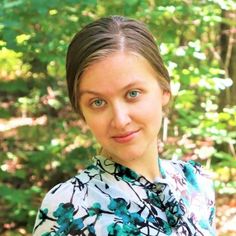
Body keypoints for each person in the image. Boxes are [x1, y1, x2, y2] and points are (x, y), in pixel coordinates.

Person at [33, 15, 215, 236]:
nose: (120, 120)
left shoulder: (197, 183)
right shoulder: (68, 207)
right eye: (98, 102)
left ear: (164, 91)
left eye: (132, 94)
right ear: (82, 111)